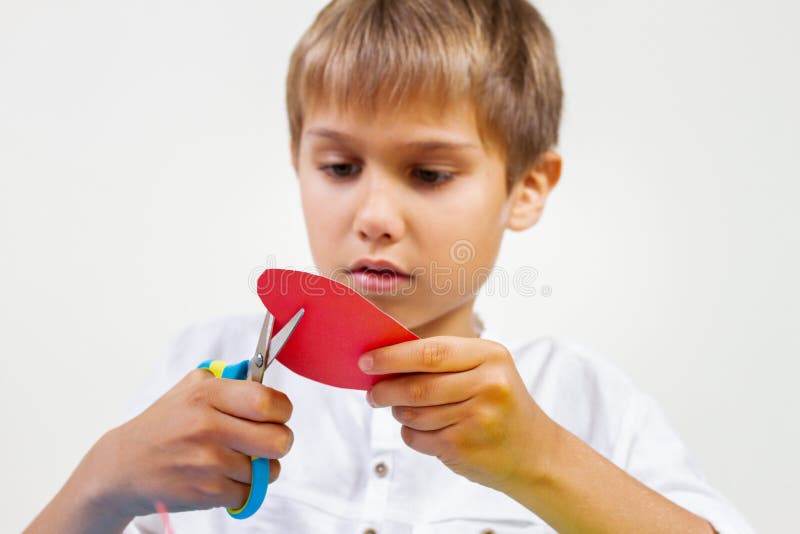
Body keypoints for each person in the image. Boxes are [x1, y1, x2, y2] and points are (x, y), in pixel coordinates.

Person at [26, 1, 754, 532]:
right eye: (339, 166)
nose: (374, 213)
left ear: (526, 189)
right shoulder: (198, 373)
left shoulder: (586, 403)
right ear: (297, 161)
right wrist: (103, 485)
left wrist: (545, 461)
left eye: (429, 174)